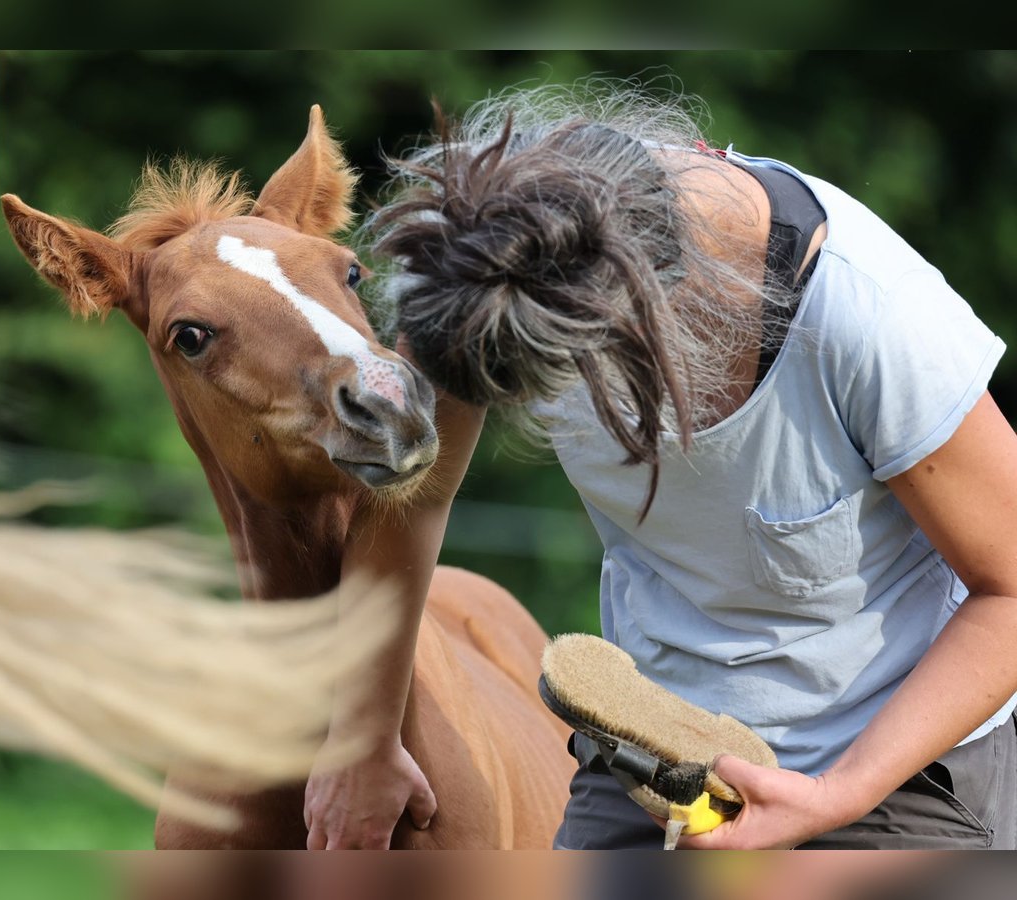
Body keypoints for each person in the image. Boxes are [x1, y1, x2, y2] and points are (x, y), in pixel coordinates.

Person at [302, 83, 1017, 850]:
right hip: (654, 754)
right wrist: (365, 740)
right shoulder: (481, 258)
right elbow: (413, 493)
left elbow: (1008, 590)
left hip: (894, 772)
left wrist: (833, 796)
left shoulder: (870, 319)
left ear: (647, 307)